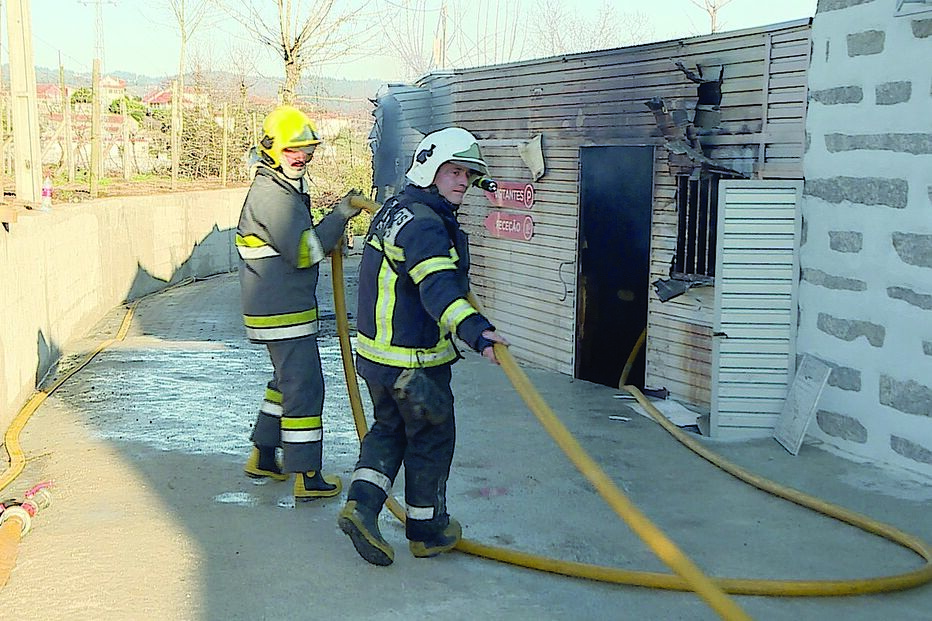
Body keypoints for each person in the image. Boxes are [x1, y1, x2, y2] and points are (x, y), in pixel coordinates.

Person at [338, 127, 508, 566]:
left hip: (376, 360)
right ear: (431, 170)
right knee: (432, 437)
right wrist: (475, 331)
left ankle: (361, 508)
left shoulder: (396, 209)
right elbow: (438, 290)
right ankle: (427, 529)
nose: (461, 182)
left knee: (388, 432)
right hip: (414, 363)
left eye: (468, 175)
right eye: (453, 172)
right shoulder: (428, 227)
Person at [236, 104, 361, 501]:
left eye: (307, 151)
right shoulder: (273, 196)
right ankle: (307, 474)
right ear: (271, 149)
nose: (302, 158)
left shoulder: (280, 188)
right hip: (282, 312)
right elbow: (305, 251)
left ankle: (263, 455)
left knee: (284, 383)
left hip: (279, 310)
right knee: (305, 388)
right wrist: (339, 217)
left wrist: (329, 229)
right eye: (294, 150)